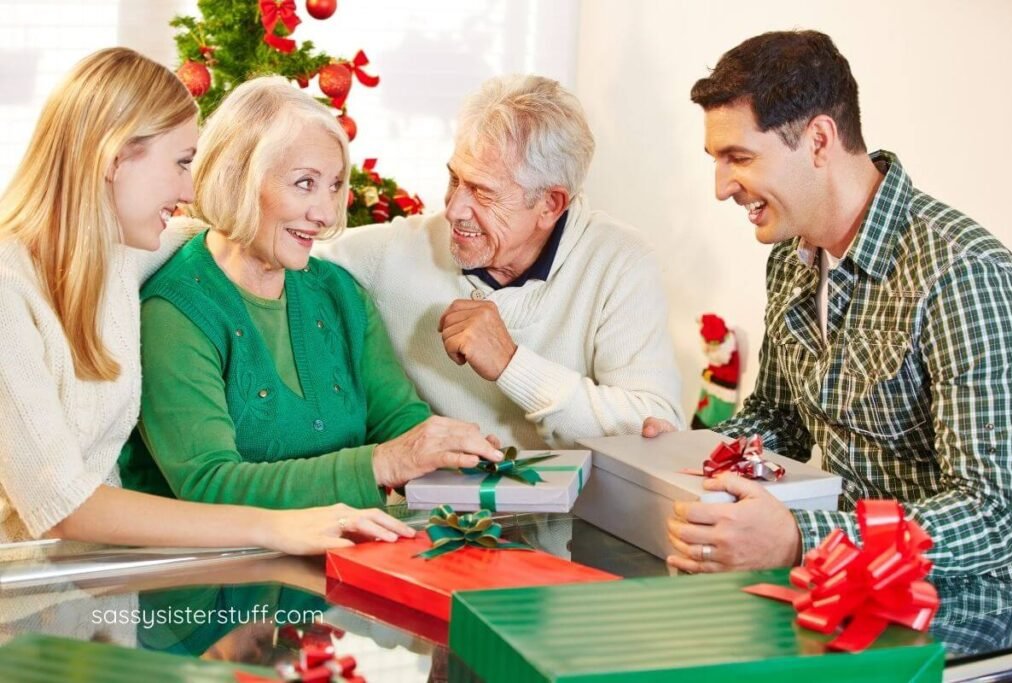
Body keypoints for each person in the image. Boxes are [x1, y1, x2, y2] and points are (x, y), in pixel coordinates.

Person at [0, 48, 412, 554]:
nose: (191, 185)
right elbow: (62, 505)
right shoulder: (8, 288)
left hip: (96, 592)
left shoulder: (121, 255)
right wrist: (273, 527)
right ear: (115, 159)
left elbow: (226, 235)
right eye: (181, 163)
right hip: (19, 595)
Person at [661, 30, 1012, 583]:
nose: (721, 187)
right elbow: (780, 419)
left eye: (739, 157)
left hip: (961, 610)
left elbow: (996, 518)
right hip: (834, 582)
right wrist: (694, 450)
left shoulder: (963, 273)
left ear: (819, 141)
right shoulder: (791, 256)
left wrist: (803, 539)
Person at [119, 76, 503, 512]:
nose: (323, 213)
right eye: (305, 183)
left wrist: (448, 451)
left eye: (335, 185)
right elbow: (209, 484)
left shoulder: (339, 292)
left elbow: (399, 419)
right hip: (225, 573)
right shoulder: (175, 313)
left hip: (346, 559)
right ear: (239, 177)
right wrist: (380, 464)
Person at [313, 74, 684, 449]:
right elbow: (285, 250)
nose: (454, 209)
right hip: (447, 505)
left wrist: (511, 364)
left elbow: (655, 424)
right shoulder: (396, 251)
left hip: (581, 506)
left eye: (482, 192)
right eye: (454, 179)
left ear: (549, 205)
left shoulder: (619, 262)